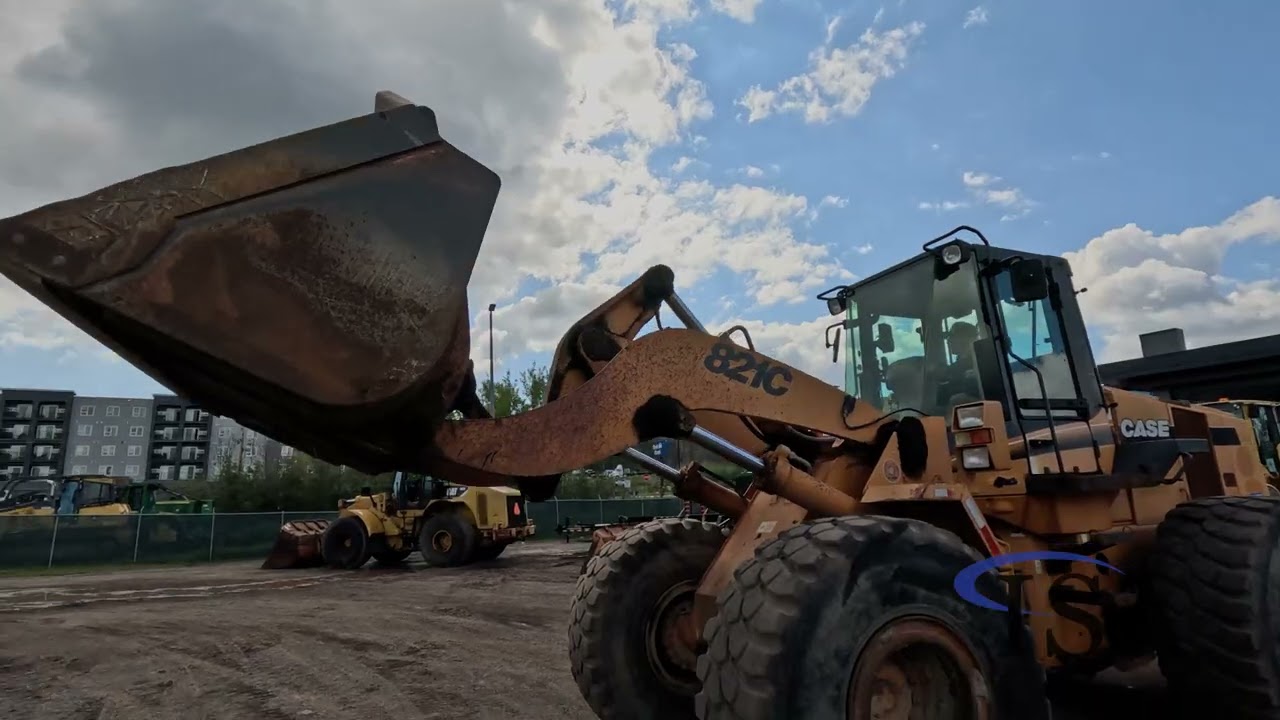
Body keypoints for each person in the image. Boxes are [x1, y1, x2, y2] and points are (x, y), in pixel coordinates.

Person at [943, 321, 983, 404]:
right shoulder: (958, 364)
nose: (948, 341)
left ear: (966, 339)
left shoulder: (978, 362)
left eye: (952, 336)